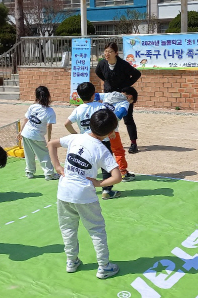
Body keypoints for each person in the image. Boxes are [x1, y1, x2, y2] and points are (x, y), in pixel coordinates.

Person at [48, 108, 123, 279]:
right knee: (96, 230)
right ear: (111, 132)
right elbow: (117, 177)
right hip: (85, 195)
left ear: (90, 123)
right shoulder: (102, 149)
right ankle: (104, 267)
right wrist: (99, 183)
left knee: (67, 228)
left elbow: (51, 144)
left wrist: (58, 167)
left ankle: (71, 261)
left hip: (64, 192)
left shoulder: (76, 137)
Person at [64, 82, 120, 198]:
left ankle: (83, 186)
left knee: (86, 164)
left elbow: (67, 124)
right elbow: (111, 119)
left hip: (86, 142)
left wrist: (76, 135)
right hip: (102, 141)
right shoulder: (101, 106)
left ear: (79, 96)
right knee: (107, 167)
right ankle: (106, 190)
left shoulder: (78, 110)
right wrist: (112, 132)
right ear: (94, 95)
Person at [95, 42, 142, 154]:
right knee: (107, 117)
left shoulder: (123, 64)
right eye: (106, 51)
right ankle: (107, 142)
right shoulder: (102, 64)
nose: (107, 54)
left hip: (123, 95)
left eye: (110, 51)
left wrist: (126, 86)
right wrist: (107, 83)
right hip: (109, 95)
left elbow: (137, 74)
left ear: (116, 53)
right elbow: (98, 73)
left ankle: (133, 143)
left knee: (128, 118)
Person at [95, 87, 138, 183]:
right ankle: (123, 172)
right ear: (130, 97)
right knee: (118, 151)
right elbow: (119, 115)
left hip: (97, 126)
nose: (130, 104)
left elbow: (95, 96)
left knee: (95, 149)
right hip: (111, 130)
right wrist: (111, 127)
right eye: (132, 102)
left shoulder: (109, 94)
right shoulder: (125, 103)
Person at [18, 86, 59, 180]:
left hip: (26, 133)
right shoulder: (50, 111)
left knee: (28, 154)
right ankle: (49, 174)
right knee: (44, 154)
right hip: (36, 135)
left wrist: (21, 131)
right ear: (48, 96)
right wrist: (49, 140)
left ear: (36, 96)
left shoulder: (32, 107)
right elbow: (49, 126)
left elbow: (26, 119)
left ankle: (29, 172)